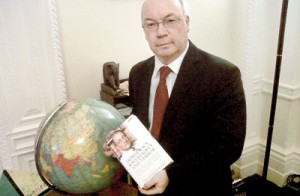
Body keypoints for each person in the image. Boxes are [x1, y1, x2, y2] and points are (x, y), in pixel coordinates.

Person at [104, 0, 246, 195]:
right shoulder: (138, 73)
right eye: (151, 24)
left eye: (170, 20)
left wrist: (170, 173)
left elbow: (228, 147)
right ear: (144, 30)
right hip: (148, 186)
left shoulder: (223, 74)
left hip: (200, 188)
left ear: (186, 23)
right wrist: (121, 143)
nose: (160, 32)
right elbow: (142, 123)